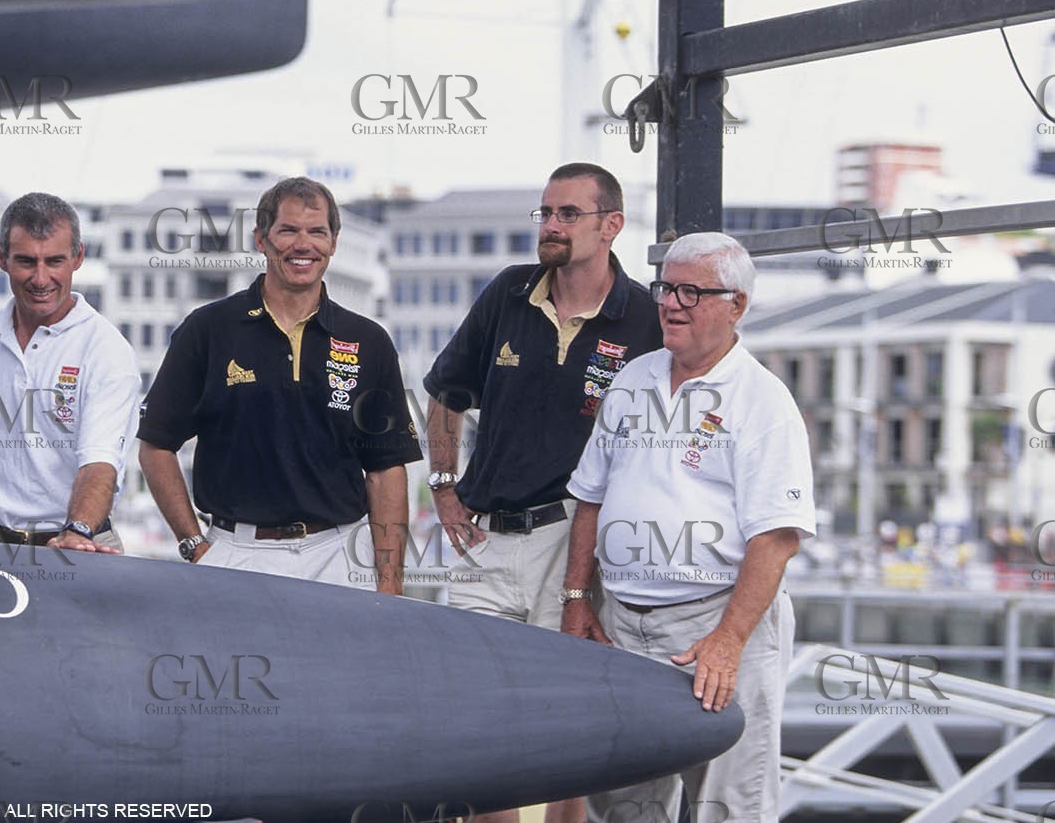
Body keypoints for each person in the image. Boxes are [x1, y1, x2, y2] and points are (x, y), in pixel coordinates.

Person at [422, 163, 661, 823]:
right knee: (483, 727)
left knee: (573, 727)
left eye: (567, 214)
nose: (550, 226)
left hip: (576, 545)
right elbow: (447, 393)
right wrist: (443, 487)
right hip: (484, 539)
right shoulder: (507, 291)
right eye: (545, 213)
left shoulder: (643, 318)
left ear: (611, 225)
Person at [562, 232, 817, 823]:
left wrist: (727, 642)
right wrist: (576, 599)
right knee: (622, 803)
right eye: (666, 288)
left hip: (715, 626)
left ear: (737, 306)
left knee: (728, 804)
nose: (671, 304)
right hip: (621, 628)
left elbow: (777, 537)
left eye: (691, 292)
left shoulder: (762, 401)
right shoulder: (631, 380)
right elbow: (590, 500)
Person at [138, 176, 419, 592]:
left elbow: (385, 471)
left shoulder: (369, 340)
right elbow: (156, 446)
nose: (302, 245)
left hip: (338, 557)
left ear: (334, 242)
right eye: (288, 230)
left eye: (317, 232)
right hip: (235, 555)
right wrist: (195, 543)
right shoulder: (208, 330)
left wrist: (390, 584)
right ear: (261, 240)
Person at [0, 193, 139, 553]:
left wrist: (77, 531)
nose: (40, 278)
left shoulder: (106, 350)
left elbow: (99, 464)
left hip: (78, 544)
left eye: (54, 261)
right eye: (25, 261)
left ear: (77, 258)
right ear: (1, 257)